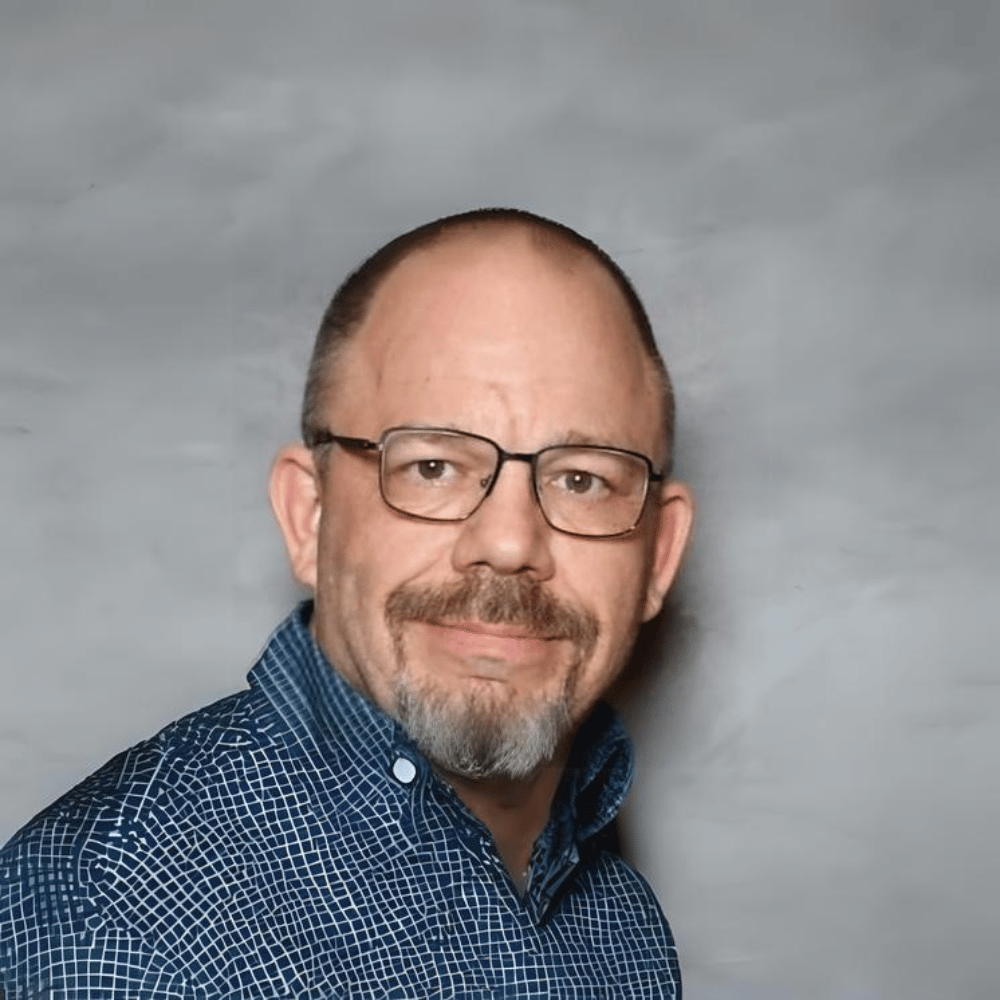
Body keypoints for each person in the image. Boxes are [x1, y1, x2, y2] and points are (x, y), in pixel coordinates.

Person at [0, 208, 694, 998]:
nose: (508, 543)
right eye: (432, 466)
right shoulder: (112, 933)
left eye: (582, 478)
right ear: (310, 516)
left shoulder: (619, 923)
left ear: (660, 555)